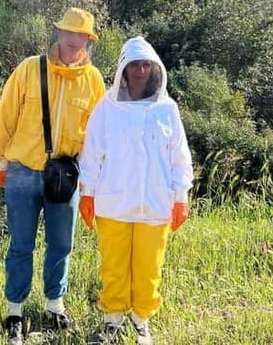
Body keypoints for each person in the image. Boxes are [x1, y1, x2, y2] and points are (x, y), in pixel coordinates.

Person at [0, 8, 106, 344]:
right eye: (67, 32)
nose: (72, 39)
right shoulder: (30, 68)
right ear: (58, 34)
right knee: (21, 244)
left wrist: (92, 178)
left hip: (65, 174)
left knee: (61, 244)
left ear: (88, 39)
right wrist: (0, 162)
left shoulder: (93, 79)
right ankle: (15, 311)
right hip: (23, 170)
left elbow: (97, 134)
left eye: (80, 34)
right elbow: (6, 114)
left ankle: (55, 306)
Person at [78, 36, 193, 345]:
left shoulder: (167, 109)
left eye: (146, 64)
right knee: (113, 265)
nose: (140, 70)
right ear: (123, 71)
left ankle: (141, 321)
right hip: (112, 201)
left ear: (155, 69)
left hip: (155, 204)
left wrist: (180, 198)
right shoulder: (106, 107)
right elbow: (91, 153)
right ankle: (112, 320)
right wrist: (87, 193)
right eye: (134, 65)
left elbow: (180, 156)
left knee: (148, 268)